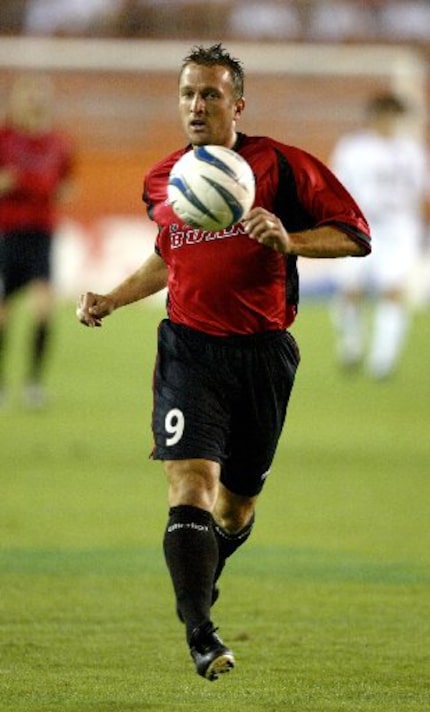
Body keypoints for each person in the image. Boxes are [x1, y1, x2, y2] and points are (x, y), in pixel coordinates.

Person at [77, 43, 371, 681]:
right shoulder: (164, 179)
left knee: (235, 510)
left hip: (263, 355)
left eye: (210, 94)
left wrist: (289, 239)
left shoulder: (283, 167)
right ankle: (200, 632)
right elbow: (168, 258)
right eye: (187, 94)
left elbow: (356, 235)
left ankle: (202, 576)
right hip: (189, 350)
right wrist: (112, 298)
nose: (196, 105)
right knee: (190, 487)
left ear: (237, 103)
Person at [330, 92, 428, 379]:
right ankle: (351, 344)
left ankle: (382, 361)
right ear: (373, 117)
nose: (390, 122)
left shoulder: (412, 150)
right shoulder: (353, 148)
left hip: (399, 228)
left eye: (394, 117)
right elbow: (335, 187)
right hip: (359, 224)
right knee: (350, 290)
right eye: (385, 116)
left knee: (393, 292)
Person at [0, 73, 74, 408]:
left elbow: (67, 185)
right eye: (27, 94)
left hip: (41, 234)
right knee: (3, 312)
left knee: (44, 308)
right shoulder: (4, 138)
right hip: (7, 233)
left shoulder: (59, 142)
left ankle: (33, 384)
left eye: (38, 95)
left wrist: (49, 189)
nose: (33, 101)